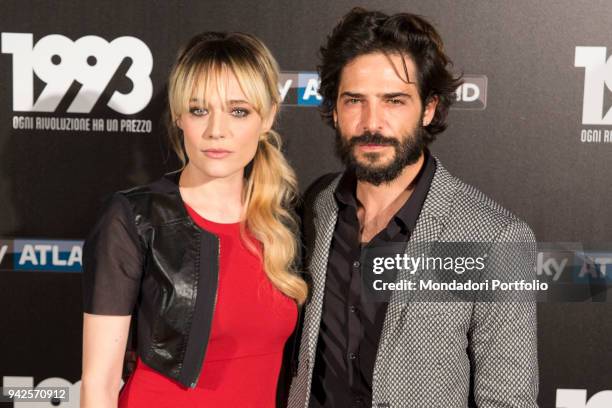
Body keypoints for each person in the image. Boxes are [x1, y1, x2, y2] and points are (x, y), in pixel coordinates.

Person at [288, 8, 538, 408]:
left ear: (428, 109)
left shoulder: (494, 239)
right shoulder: (316, 207)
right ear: (334, 109)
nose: (373, 122)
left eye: (394, 101)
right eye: (355, 100)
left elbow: (508, 400)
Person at [80, 31, 308, 408]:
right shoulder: (136, 218)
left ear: (267, 117)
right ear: (178, 116)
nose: (216, 130)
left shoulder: (286, 221)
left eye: (238, 111)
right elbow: (99, 382)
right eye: (199, 110)